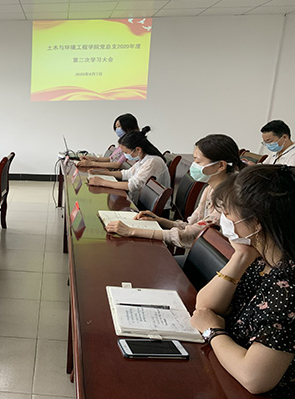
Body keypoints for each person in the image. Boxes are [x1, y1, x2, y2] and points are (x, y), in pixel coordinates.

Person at [190, 165, 295, 397]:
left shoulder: (288, 285)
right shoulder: (262, 258)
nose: (224, 220)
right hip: (228, 373)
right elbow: (205, 306)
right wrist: (241, 256)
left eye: (228, 213)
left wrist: (212, 331)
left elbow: (254, 378)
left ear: (256, 223)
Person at [105, 134, 243, 248]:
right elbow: (191, 225)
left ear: (220, 165)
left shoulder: (229, 198)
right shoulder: (210, 189)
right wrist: (159, 220)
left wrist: (132, 231)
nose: (193, 166)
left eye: (198, 162)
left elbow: (191, 234)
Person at [87, 129, 170, 204]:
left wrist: (102, 182)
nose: (125, 155)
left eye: (126, 152)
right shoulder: (144, 159)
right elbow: (126, 174)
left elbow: (132, 185)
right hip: (140, 202)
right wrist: (102, 173)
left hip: (147, 208)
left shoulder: (152, 162)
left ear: (138, 149)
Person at [77, 113, 148, 169]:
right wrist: (92, 159)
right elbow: (111, 159)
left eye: (119, 126)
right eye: (116, 127)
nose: (117, 130)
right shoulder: (123, 142)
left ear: (128, 127)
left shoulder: (132, 144)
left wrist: (92, 163)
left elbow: (117, 165)